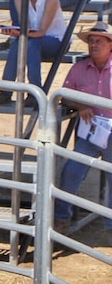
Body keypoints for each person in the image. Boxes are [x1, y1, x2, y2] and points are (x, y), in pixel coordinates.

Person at [53, 21, 112, 241]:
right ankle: (62, 217)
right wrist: (81, 106)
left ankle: (110, 224)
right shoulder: (79, 68)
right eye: (91, 41)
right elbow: (65, 94)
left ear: (110, 44)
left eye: (98, 41)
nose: (93, 45)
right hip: (90, 132)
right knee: (71, 171)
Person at [0, 0, 66, 106]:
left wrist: (19, 33)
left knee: (28, 43)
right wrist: (17, 33)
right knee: (20, 43)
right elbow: (28, 27)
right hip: (35, 41)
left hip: (56, 41)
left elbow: (41, 31)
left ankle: (33, 91)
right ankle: (6, 90)